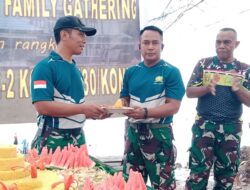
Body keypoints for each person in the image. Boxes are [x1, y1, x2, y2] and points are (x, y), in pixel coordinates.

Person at [30, 16, 109, 153]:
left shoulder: (76, 69)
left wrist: (94, 112)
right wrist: (84, 109)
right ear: (64, 35)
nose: (84, 40)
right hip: (52, 142)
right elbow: (42, 106)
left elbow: (74, 107)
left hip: (78, 139)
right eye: (80, 34)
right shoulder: (44, 67)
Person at [120, 25, 185, 190]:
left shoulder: (171, 72)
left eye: (155, 43)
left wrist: (146, 113)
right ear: (139, 46)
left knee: (163, 185)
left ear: (162, 46)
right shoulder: (131, 72)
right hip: (133, 132)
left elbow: (173, 106)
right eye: (146, 42)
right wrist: (118, 107)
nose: (150, 47)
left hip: (159, 133)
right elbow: (124, 98)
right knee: (131, 183)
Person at [185, 28, 250, 190]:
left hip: (231, 129)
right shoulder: (204, 64)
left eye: (226, 42)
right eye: (218, 42)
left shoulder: (244, 69)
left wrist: (238, 90)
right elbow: (189, 92)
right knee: (197, 176)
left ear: (236, 44)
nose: (221, 46)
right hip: (204, 126)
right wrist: (206, 88)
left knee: (226, 178)